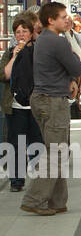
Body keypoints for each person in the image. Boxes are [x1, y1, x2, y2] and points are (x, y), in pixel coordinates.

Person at [22, 3, 81, 215]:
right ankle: (34, 199)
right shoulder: (57, 41)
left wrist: (68, 78)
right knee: (57, 152)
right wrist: (72, 72)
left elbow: (59, 69)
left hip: (44, 99)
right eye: (63, 17)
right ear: (51, 20)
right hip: (53, 101)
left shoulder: (43, 40)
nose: (67, 20)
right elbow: (76, 66)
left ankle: (57, 201)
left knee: (59, 150)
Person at [2, 17, 44, 192]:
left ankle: (41, 179)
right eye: (18, 32)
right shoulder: (10, 52)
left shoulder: (39, 52)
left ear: (31, 33)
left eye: (24, 31)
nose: (21, 35)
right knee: (16, 143)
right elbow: (4, 75)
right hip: (15, 106)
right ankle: (16, 180)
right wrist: (14, 56)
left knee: (38, 143)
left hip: (35, 106)